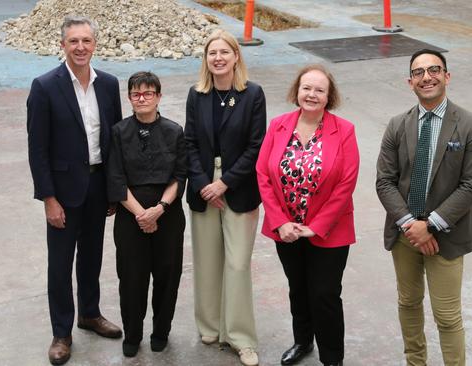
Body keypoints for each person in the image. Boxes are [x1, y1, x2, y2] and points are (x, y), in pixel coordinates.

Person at [376, 49, 472, 366]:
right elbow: (384, 180)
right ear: (409, 82)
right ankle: (416, 362)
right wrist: (412, 225)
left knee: (447, 315)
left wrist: (431, 225)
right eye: (419, 72)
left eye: (434, 69)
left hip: (447, 238)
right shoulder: (398, 125)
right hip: (405, 234)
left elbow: (471, 186)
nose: (427, 77)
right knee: (408, 302)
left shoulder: (470, 125)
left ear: (447, 76)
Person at [27, 15, 123, 365]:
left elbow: (115, 139)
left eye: (86, 41)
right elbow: (37, 149)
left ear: (95, 44)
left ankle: (90, 313)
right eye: (73, 41)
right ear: (63, 44)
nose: (80, 47)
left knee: (92, 256)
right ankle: (61, 332)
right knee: (60, 263)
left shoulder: (109, 84)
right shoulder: (45, 86)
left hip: (98, 185)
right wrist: (49, 198)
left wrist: (115, 189)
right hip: (63, 191)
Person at [256, 64, 359, 366]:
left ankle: (332, 358)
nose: (311, 94)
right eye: (306, 88)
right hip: (286, 229)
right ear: (297, 91)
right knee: (298, 289)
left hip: (330, 231)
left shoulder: (344, 130)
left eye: (319, 90)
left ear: (329, 97)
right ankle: (302, 341)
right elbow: (263, 173)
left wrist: (317, 226)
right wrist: (280, 221)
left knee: (325, 295)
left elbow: (346, 183)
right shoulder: (278, 125)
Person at [184, 29, 266, 366]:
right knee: (207, 259)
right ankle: (210, 325)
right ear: (206, 59)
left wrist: (225, 183)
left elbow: (256, 146)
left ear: (236, 57)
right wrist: (205, 183)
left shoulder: (253, 94)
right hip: (203, 186)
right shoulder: (196, 94)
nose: (218, 58)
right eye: (211, 53)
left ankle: (241, 337)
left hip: (239, 187)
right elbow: (189, 142)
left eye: (224, 52)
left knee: (236, 263)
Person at [106, 71, 187, 357]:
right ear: (129, 98)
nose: (142, 99)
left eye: (148, 93)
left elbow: (179, 176)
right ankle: (133, 334)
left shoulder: (174, 130)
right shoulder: (118, 132)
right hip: (131, 217)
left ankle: (161, 330)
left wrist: (159, 210)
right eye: (136, 94)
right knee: (131, 278)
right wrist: (142, 214)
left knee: (167, 276)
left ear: (159, 97)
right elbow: (115, 178)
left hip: (168, 214)